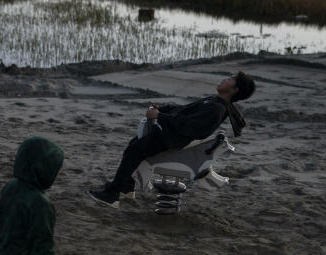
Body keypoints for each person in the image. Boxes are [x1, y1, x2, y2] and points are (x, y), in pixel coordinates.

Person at [88, 72, 256, 208]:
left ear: (234, 89)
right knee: (135, 145)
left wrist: (160, 116)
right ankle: (126, 186)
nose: (223, 80)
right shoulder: (214, 101)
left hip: (172, 139)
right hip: (171, 134)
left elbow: (191, 127)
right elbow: (183, 110)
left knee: (135, 151)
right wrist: (163, 109)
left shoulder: (216, 108)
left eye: (228, 79)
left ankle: (111, 196)